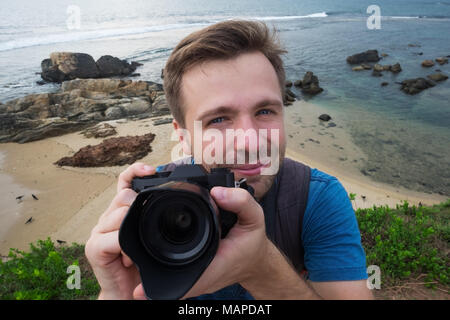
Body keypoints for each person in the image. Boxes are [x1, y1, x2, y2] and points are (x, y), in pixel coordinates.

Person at [85, 20, 374, 300]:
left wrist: (262, 268)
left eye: (265, 112)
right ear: (183, 136)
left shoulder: (314, 197)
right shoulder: (149, 208)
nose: (250, 142)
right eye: (219, 119)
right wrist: (118, 292)